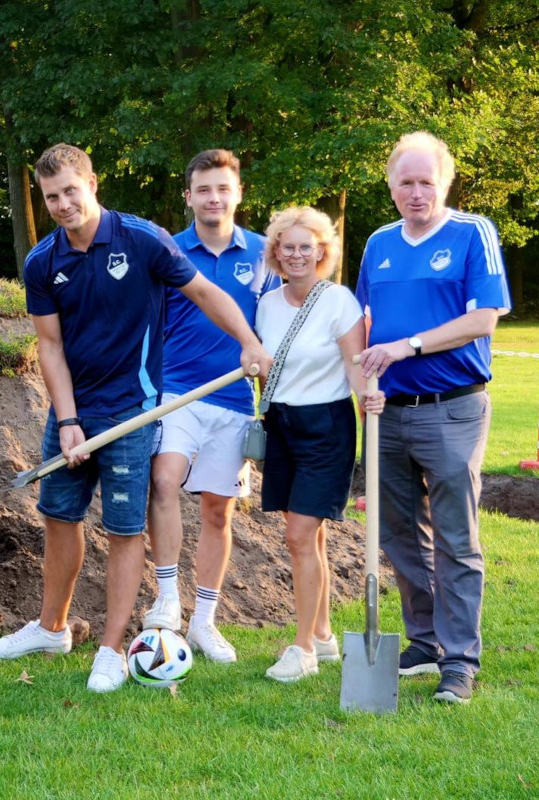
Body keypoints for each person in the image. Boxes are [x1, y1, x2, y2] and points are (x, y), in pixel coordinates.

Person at [0, 143, 272, 692]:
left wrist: (248, 341)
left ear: (92, 184)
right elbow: (50, 347)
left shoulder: (142, 239)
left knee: (123, 529)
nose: (64, 204)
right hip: (74, 411)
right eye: (51, 197)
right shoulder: (43, 262)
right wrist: (67, 421)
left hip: (134, 410)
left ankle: (111, 650)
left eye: (71, 190)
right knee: (59, 517)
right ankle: (51, 628)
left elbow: (205, 292)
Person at [357, 131, 510, 703]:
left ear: (444, 183)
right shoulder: (377, 243)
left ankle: (461, 661)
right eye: (406, 182)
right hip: (388, 413)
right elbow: (368, 326)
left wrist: (408, 347)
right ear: (391, 186)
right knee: (400, 535)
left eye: (427, 182)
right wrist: (365, 389)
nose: (416, 193)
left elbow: (486, 319)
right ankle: (424, 642)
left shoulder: (473, 234)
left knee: (454, 538)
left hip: (453, 409)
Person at [145, 149, 278, 663]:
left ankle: (203, 620)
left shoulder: (265, 254)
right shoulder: (167, 251)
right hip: (176, 390)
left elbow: (277, 327)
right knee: (163, 480)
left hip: (234, 397)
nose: (214, 198)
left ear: (238, 193)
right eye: (203, 189)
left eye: (223, 188)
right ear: (188, 197)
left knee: (218, 511)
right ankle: (166, 599)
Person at [255, 206, 382, 682]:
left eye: (306, 246)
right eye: (287, 246)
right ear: (276, 252)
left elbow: (354, 364)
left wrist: (367, 394)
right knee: (311, 537)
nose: (296, 254)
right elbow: (268, 365)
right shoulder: (267, 304)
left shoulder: (338, 301)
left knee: (298, 537)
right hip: (282, 425)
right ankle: (325, 636)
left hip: (326, 427)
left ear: (322, 251)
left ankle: (302, 647)